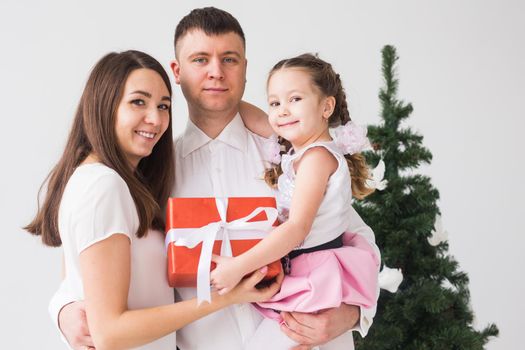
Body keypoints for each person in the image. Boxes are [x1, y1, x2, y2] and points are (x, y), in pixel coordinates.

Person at [53, 7, 380, 350]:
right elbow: (95, 255)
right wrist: (62, 310)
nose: (216, 73)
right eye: (199, 60)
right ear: (176, 72)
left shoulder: (292, 155)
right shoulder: (152, 172)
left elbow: (357, 239)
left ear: (245, 69)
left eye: (229, 59)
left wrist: (353, 315)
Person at [25, 50, 280, 350]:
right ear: (104, 105)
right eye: (138, 102)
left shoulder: (116, 183)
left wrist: (62, 307)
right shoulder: (104, 186)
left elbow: (78, 279)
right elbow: (110, 333)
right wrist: (227, 296)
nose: (156, 118)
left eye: (163, 106)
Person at [210, 53, 380, 349]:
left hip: (315, 274)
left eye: (295, 99)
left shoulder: (316, 159)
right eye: (275, 103)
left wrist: (238, 266)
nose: (282, 111)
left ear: (327, 106)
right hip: (306, 270)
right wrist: (221, 92)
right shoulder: (301, 150)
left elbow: (297, 228)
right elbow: (255, 118)